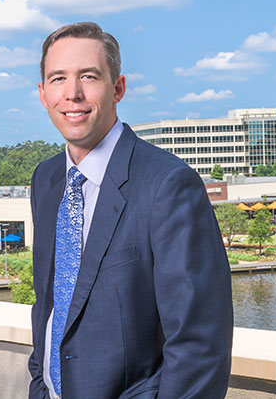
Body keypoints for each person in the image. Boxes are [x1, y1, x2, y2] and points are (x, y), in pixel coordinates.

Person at [28, 22, 232, 398]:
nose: (72, 94)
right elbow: (50, 304)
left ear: (118, 88)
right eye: (58, 79)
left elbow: (199, 345)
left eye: (88, 76)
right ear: (43, 94)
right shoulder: (46, 181)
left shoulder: (168, 185)